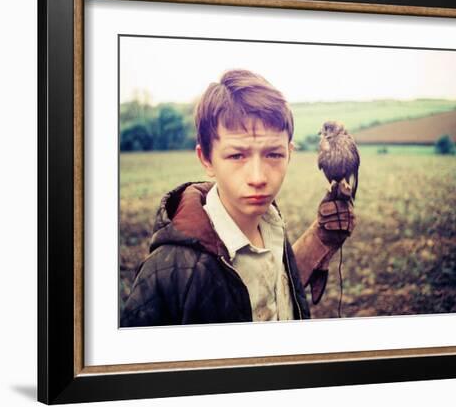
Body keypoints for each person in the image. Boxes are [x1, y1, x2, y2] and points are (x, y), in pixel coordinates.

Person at [120, 69, 355, 327]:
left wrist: (318, 241)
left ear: (290, 153)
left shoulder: (272, 227)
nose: (258, 177)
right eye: (236, 156)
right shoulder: (168, 274)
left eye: (273, 155)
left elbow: (274, 293)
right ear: (206, 159)